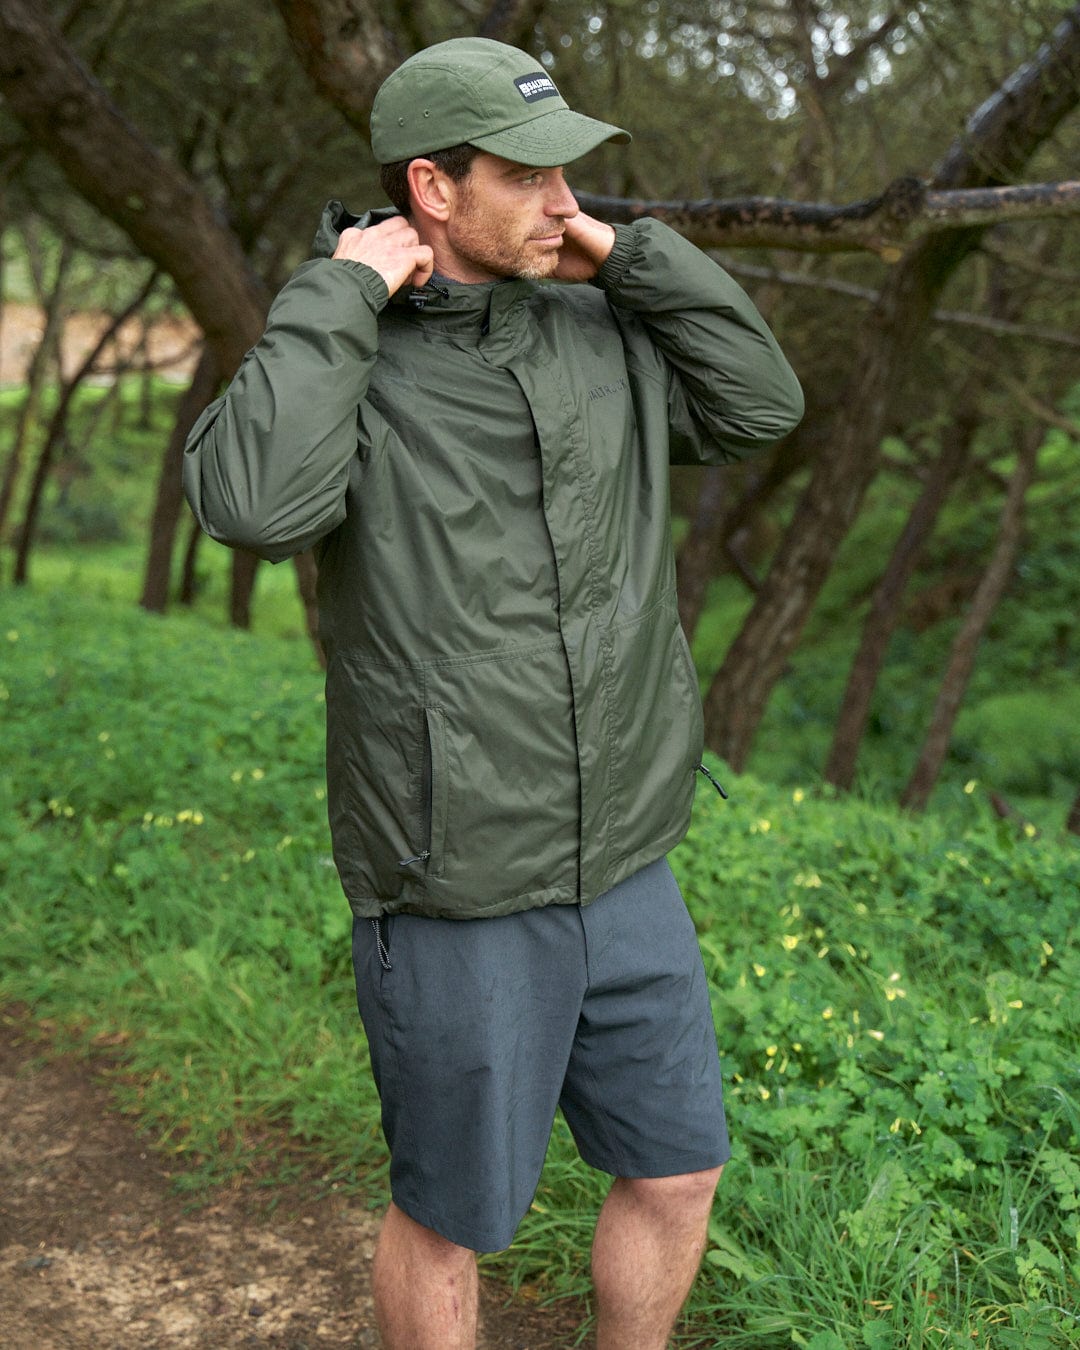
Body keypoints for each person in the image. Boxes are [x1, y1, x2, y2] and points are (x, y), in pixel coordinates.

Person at [184, 36, 803, 1350]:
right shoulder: (353, 359)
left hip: (627, 853)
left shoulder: (601, 325)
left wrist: (634, 260)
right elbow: (249, 501)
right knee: (452, 1214)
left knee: (679, 1166)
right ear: (432, 189)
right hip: (455, 866)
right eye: (526, 175)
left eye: (570, 169)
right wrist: (339, 300)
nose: (562, 197)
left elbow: (759, 402)